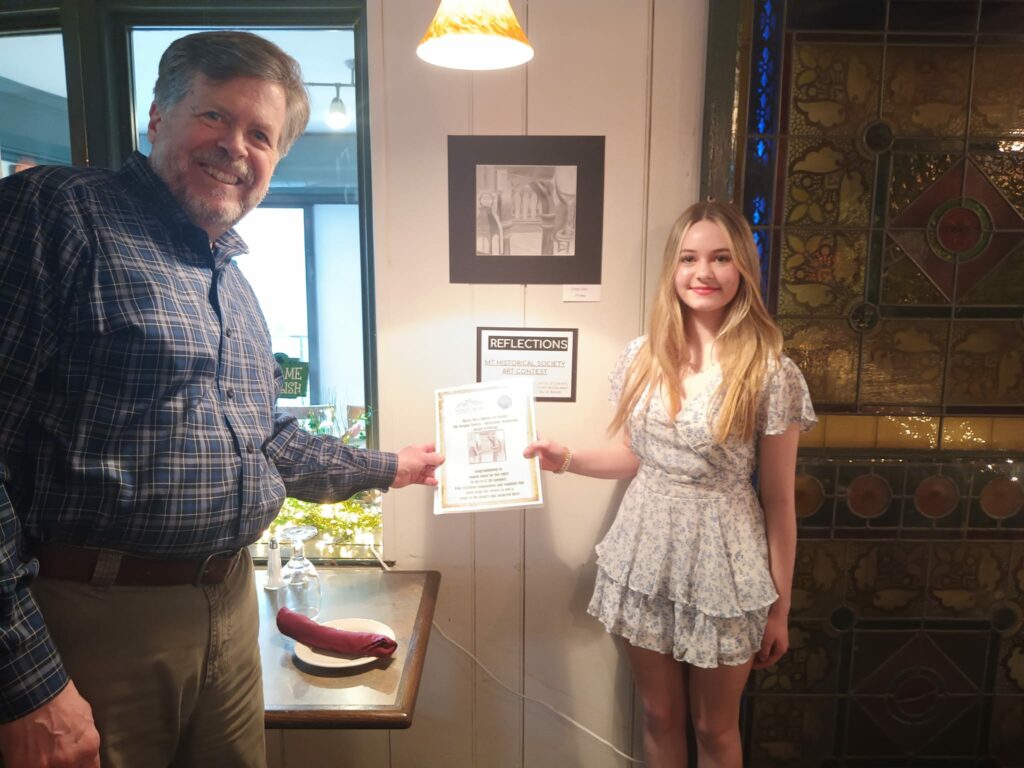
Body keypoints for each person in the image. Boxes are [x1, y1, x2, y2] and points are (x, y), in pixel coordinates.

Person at [0, 31, 442, 768]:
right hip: (95, 616)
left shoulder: (233, 289)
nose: (235, 146)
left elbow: (265, 441)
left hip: (230, 610)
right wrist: (28, 682)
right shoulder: (57, 215)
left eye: (260, 134)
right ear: (157, 119)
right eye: (215, 117)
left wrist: (393, 466)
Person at [525, 201, 816, 767]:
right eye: (689, 258)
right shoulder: (643, 355)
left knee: (714, 727)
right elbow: (636, 456)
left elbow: (780, 501)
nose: (702, 273)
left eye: (720, 258)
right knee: (658, 717)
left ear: (743, 270)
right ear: (672, 269)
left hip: (725, 563)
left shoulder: (769, 369)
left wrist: (780, 607)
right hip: (646, 552)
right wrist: (565, 458)